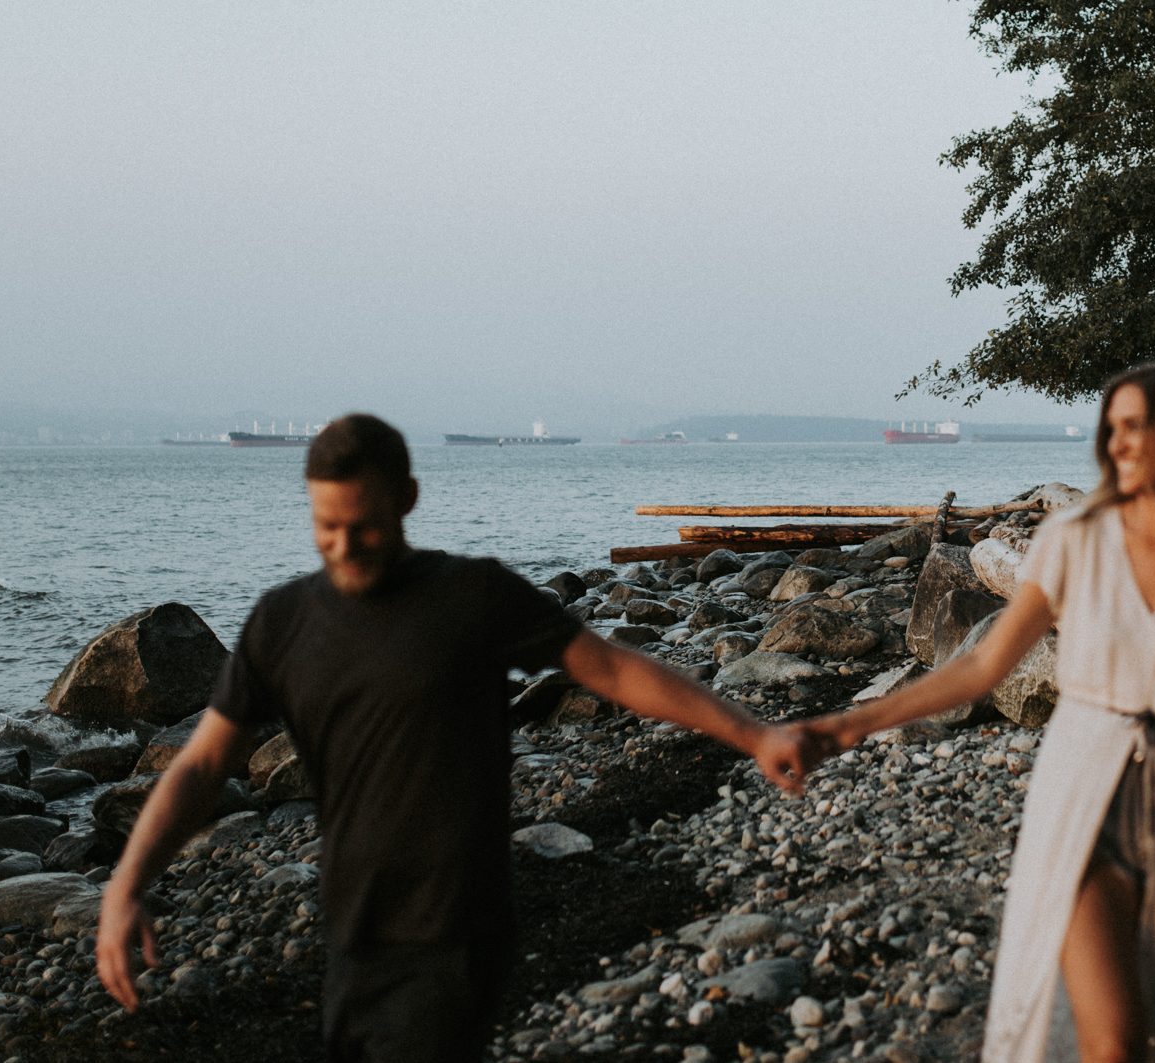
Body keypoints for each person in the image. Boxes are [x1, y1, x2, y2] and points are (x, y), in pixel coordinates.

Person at [96, 413, 812, 1061]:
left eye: (364, 526)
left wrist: (751, 733)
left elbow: (613, 668)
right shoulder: (282, 623)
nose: (344, 547)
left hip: (452, 931)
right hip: (350, 930)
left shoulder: (471, 596)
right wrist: (128, 880)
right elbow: (202, 764)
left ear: (406, 498)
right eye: (326, 528)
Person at [801, 362, 1155, 1063]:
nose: (1118, 442)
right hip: (1083, 800)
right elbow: (982, 664)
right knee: (1113, 1043)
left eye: (1137, 426)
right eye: (1112, 427)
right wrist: (849, 723)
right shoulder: (1075, 538)